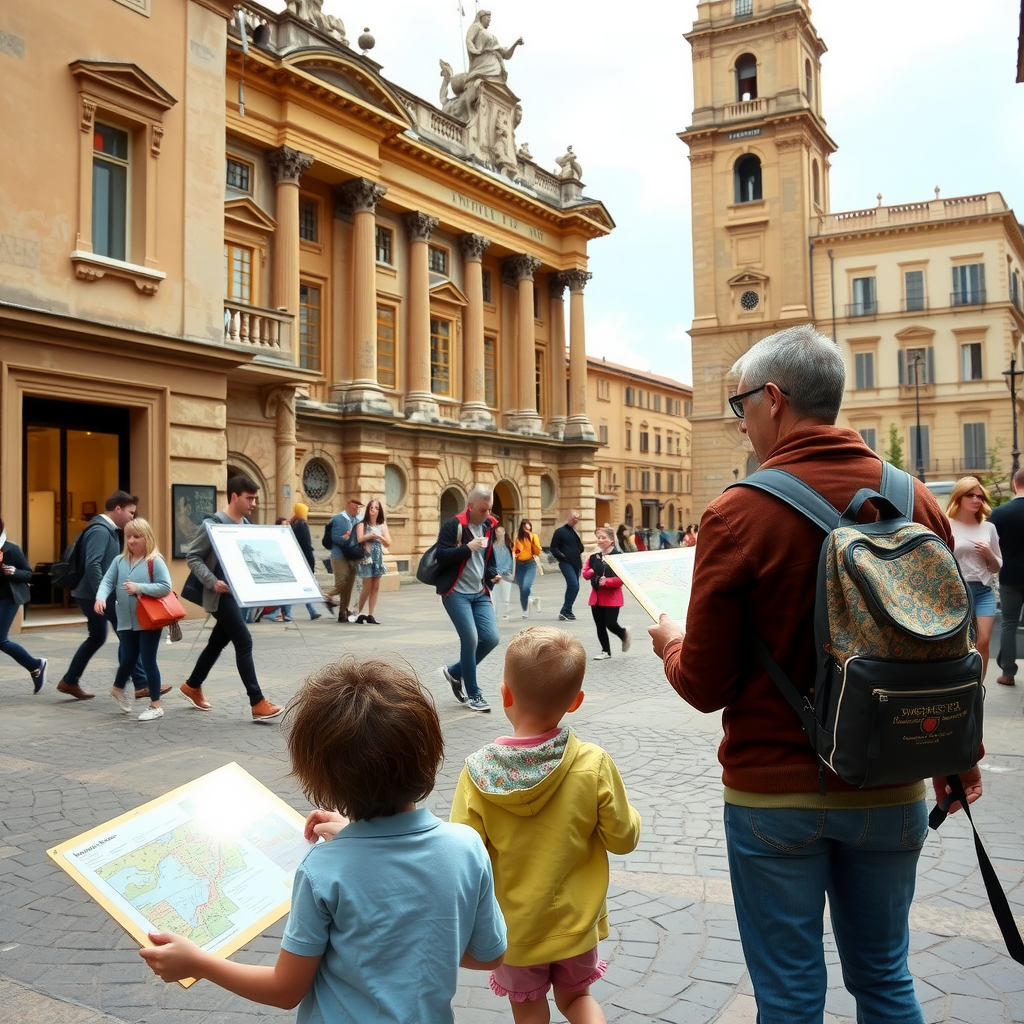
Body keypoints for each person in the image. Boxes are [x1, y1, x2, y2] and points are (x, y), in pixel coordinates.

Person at [647, 324, 982, 1024]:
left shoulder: (738, 513)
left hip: (775, 795)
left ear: (773, 399)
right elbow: (948, 648)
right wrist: (959, 755)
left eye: (741, 407)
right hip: (891, 785)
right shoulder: (914, 497)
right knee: (887, 979)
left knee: (791, 997)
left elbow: (704, 686)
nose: (740, 425)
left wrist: (673, 642)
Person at [141, 657, 507, 1019]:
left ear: (320, 779)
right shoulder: (466, 846)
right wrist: (415, 939)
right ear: (428, 754)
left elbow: (285, 991)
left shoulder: (323, 870)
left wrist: (198, 962)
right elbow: (490, 954)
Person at [450, 627, 641, 1024]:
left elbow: (464, 859)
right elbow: (623, 839)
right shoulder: (593, 764)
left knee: (529, 1010)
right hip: (576, 925)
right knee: (576, 1001)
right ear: (576, 702)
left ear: (505, 694)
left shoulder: (476, 775)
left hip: (515, 933)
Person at [180, 474, 283, 721]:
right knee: (244, 641)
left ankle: (192, 685)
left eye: (256, 498)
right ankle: (257, 702)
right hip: (219, 594)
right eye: (249, 498)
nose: (254, 503)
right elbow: (192, 556)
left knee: (217, 642)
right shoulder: (212, 524)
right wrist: (212, 582)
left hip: (239, 595)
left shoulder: (246, 526)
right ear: (234, 496)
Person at [57, 490, 159, 702]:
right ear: (118, 509)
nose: (133, 516)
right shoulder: (101, 530)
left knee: (97, 637)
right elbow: (93, 563)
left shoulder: (108, 529)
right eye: (130, 512)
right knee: (127, 633)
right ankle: (141, 684)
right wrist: (101, 595)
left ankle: (69, 680)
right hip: (96, 595)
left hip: (92, 594)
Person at [94, 517, 171, 722]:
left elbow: (165, 587)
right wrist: (100, 598)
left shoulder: (155, 561)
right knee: (128, 657)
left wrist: (140, 587)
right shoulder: (119, 561)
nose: (131, 541)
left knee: (147, 660)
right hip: (125, 620)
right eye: (128, 536)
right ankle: (118, 688)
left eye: (137, 536)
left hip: (149, 620)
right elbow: (107, 581)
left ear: (147, 538)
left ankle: (156, 705)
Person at [435, 484, 501, 713]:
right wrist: (467, 548)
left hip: (480, 593)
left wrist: (493, 574)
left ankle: (454, 672)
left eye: (490, 509)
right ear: (470, 506)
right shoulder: (454, 525)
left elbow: (488, 559)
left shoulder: (489, 526)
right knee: (471, 639)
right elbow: (441, 556)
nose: (488, 514)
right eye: (483, 510)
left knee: (491, 638)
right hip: (456, 593)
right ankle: (474, 694)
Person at [946, 476, 1001, 680]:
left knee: (983, 641)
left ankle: (979, 685)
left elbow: (995, 567)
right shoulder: (947, 525)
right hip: (957, 592)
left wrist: (989, 554)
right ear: (959, 497)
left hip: (984, 592)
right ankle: (961, 683)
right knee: (959, 643)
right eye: (970, 495)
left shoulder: (988, 528)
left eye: (980, 496)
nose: (977, 500)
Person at [0, 517, 47, 693]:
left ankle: (36, 665)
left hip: (8, 598)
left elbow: (28, 574)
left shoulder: (11, 549)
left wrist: (14, 571)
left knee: (0, 639)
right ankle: (35, 666)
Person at [990, 466, 1024, 686]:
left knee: (1009, 624)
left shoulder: (1000, 513)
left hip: (1010, 577)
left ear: (1014, 484)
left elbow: (990, 546)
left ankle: (1008, 674)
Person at [582, 528, 631, 661]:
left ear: (611, 540)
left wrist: (607, 581)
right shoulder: (593, 557)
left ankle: (623, 633)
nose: (600, 540)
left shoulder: (618, 557)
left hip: (612, 597)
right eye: (598, 538)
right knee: (600, 625)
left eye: (603, 537)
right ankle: (605, 651)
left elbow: (622, 579)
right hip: (596, 597)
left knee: (610, 623)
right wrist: (592, 570)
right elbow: (585, 574)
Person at [327, 496, 363, 623]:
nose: (357, 507)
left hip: (353, 557)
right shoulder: (338, 518)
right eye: (355, 504)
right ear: (348, 504)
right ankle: (327, 596)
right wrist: (347, 539)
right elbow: (334, 537)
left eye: (359, 506)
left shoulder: (358, 520)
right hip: (339, 556)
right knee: (342, 583)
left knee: (348, 586)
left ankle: (342, 613)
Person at [354, 498, 390, 624]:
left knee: (375, 587)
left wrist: (380, 537)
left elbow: (388, 542)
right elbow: (359, 539)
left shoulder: (382, 524)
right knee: (367, 586)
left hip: (378, 557)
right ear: (368, 509)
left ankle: (371, 614)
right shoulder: (362, 523)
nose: (373, 510)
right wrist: (371, 536)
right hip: (366, 557)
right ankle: (357, 611)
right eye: (371, 508)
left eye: (376, 508)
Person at [550, 510, 584, 622]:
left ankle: (567, 610)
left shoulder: (575, 532)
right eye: (573, 517)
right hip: (566, 563)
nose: (575, 520)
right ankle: (565, 610)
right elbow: (553, 548)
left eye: (577, 518)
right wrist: (562, 556)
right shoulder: (560, 531)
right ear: (568, 517)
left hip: (576, 563)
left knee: (576, 587)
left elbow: (580, 547)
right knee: (573, 584)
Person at [513, 519, 541, 619]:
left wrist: (532, 540)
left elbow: (537, 551)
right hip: (519, 565)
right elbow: (515, 552)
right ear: (522, 528)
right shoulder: (518, 539)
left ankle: (532, 599)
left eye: (528, 527)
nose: (526, 529)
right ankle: (525, 610)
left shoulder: (534, 537)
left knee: (526, 586)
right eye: (524, 527)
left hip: (530, 564)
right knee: (522, 589)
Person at [491, 525, 515, 620]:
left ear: (504, 532)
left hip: (506, 574)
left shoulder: (509, 545)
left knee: (505, 596)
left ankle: (505, 614)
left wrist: (503, 573)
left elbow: (510, 561)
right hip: (494, 574)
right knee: (494, 596)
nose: (499, 533)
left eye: (500, 531)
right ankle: (495, 614)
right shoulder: (492, 546)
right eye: (497, 531)